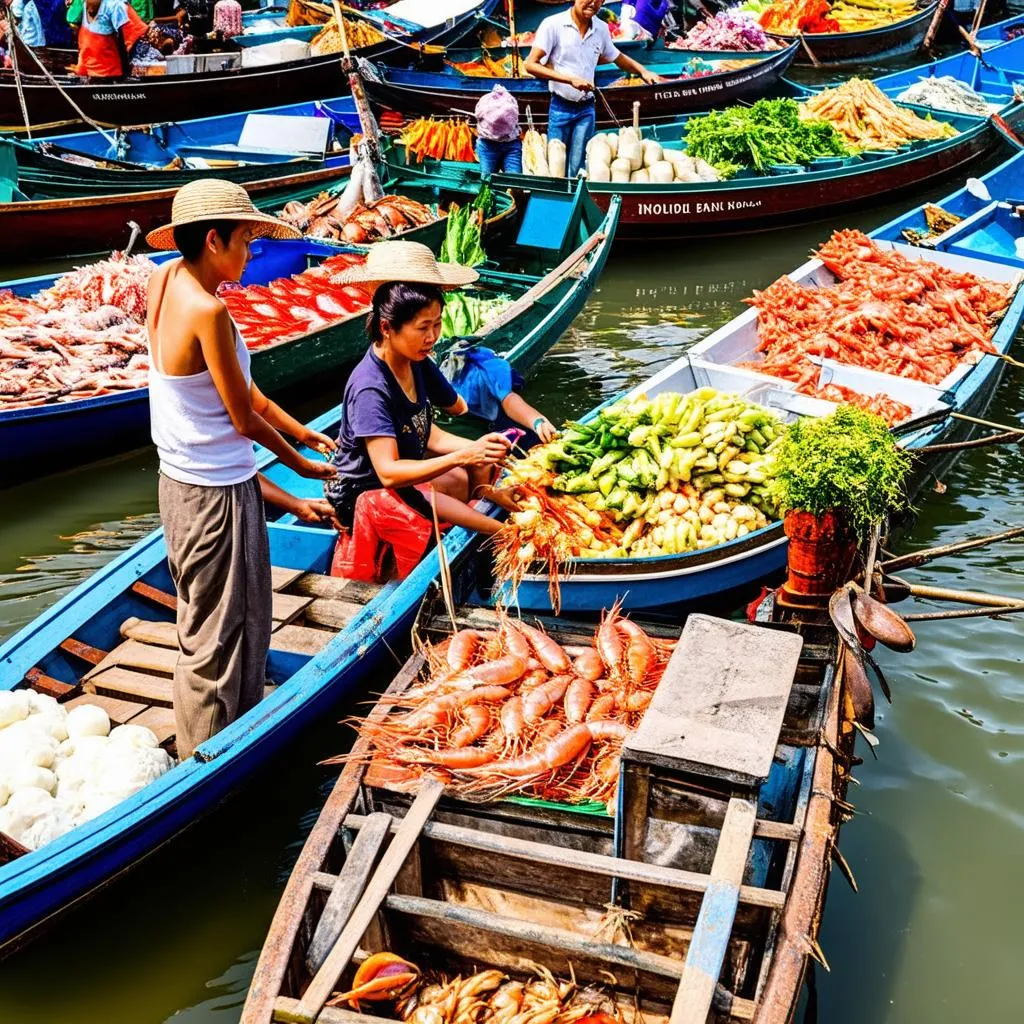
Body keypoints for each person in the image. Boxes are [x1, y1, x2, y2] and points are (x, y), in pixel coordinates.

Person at [145, 178, 337, 760]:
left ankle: (234, 722)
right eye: (245, 242)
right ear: (213, 240)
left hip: (179, 480)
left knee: (216, 614)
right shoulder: (209, 311)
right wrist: (301, 462)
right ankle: (203, 758)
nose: (252, 253)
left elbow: (241, 392)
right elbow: (242, 420)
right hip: (214, 494)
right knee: (217, 631)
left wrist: (299, 426)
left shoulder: (164, 279)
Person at [324, 241, 514, 582]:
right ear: (386, 328)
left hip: (403, 471)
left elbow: (442, 421)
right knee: (447, 483)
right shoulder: (370, 386)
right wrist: (464, 456)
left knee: (478, 460)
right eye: (422, 327)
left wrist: (481, 450)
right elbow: (389, 473)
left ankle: (483, 506)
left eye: (437, 324)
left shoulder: (418, 361)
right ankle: (496, 531)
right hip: (367, 491)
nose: (432, 337)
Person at [525, 0, 663, 178]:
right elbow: (530, 64)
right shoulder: (553, 24)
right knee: (555, 168)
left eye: (599, 0)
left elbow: (616, 57)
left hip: (586, 109)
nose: (593, 3)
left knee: (579, 168)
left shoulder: (601, 28)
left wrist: (643, 71)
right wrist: (570, 80)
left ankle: (579, 202)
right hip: (560, 108)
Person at [440, 340, 557, 450]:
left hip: (507, 427)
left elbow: (508, 399)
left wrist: (537, 422)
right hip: (472, 440)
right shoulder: (437, 406)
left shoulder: (484, 370)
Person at [69, 0, 148, 79]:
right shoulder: (84, 6)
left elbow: (136, 37)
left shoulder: (116, 6)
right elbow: (85, 46)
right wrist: (80, 72)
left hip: (111, 76)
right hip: (90, 74)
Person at [474, 84, 523, 177]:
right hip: (487, 144)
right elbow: (477, 116)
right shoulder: (485, 103)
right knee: (486, 181)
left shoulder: (510, 105)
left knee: (515, 181)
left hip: (511, 144)